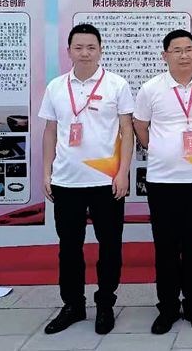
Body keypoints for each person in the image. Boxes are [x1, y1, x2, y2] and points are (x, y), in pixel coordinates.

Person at [38, 23, 134, 335]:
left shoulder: (117, 84)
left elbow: (127, 131)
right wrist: (47, 172)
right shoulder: (56, 87)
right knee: (69, 247)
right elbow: (50, 131)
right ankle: (73, 305)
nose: (85, 53)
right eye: (78, 47)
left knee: (110, 246)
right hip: (67, 181)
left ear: (100, 50)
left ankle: (105, 303)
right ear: (69, 51)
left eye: (91, 47)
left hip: (107, 182)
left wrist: (123, 172)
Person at [133, 30, 192, 334]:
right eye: (177, 50)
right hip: (161, 181)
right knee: (166, 247)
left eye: (189, 49)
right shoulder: (151, 89)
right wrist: (160, 151)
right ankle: (168, 307)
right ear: (165, 55)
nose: (184, 55)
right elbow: (140, 126)